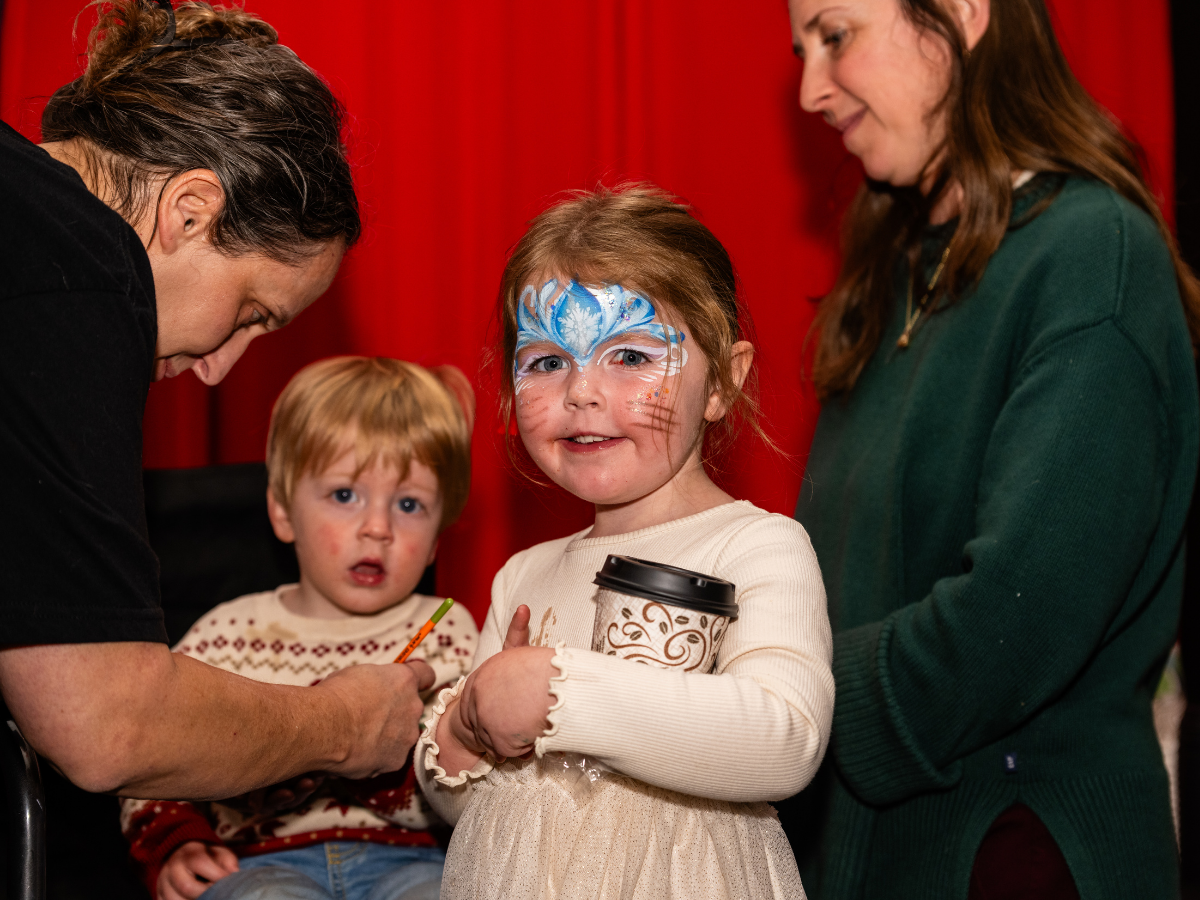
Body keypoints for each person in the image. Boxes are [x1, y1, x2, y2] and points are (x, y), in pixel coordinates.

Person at [784, 0, 1200, 897]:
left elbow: (1014, 618)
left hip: (1014, 855)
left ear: (964, 15)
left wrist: (776, 705)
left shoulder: (1093, 252)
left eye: (835, 34)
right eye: (800, 51)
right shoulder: (896, 269)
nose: (811, 88)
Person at [0, 0, 434, 802]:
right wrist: (341, 723)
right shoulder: (78, 266)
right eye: (249, 314)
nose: (219, 369)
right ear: (189, 211)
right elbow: (102, 720)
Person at [414, 185, 836, 899]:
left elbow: (783, 741)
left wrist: (559, 693)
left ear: (722, 384)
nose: (581, 391)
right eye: (547, 362)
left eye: (631, 356)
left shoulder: (756, 546)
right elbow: (471, 811)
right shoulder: (522, 575)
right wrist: (463, 732)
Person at [120, 357, 479, 900]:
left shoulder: (447, 630)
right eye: (344, 495)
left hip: (414, 859)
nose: (377, 529)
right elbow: (153, 747)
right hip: (259, 865)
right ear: (283, 510)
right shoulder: (226, 631)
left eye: (409, 504)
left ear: (435, 539)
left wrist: (380, 761)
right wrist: (176, 842)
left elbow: (469, 782)